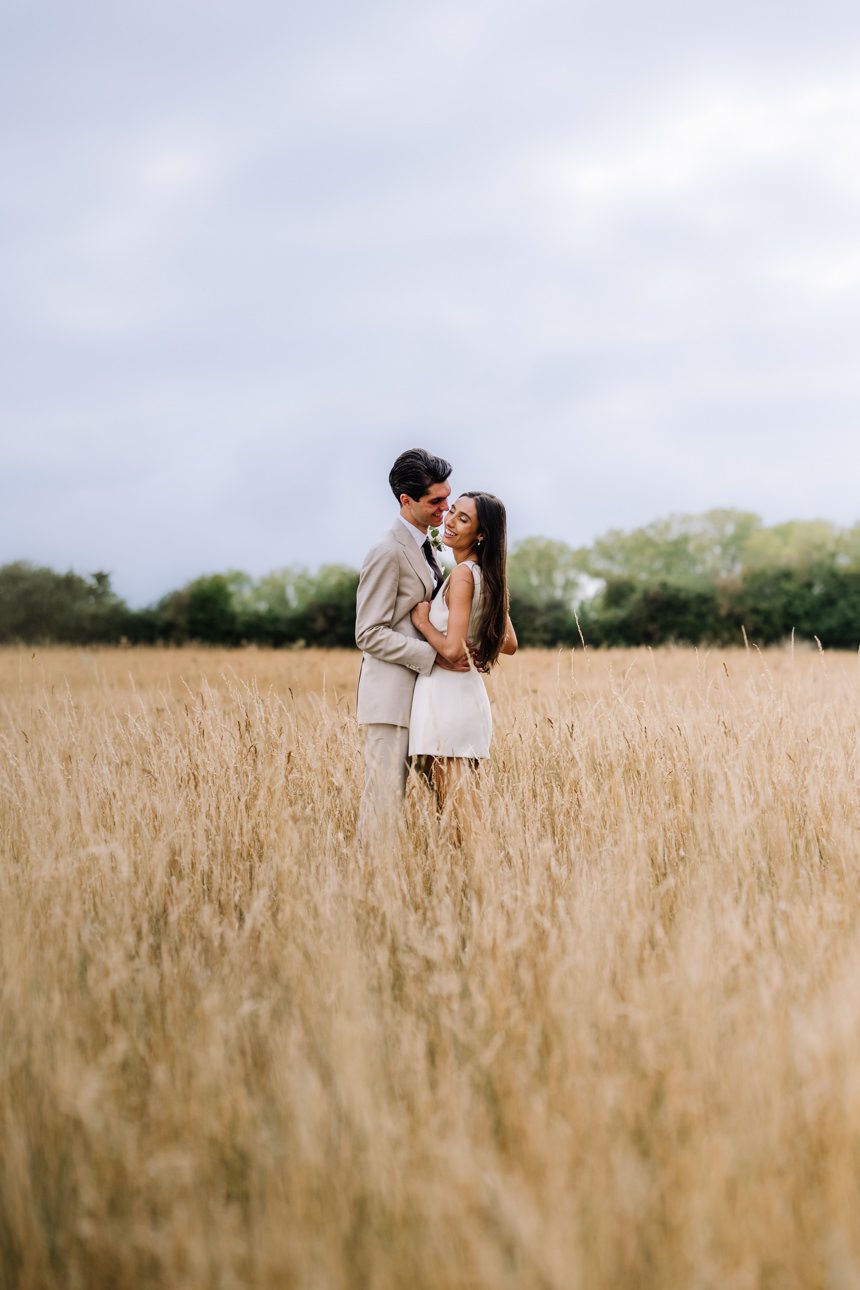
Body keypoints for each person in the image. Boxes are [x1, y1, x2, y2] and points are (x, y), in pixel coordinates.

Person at [355, 449, 469, 837]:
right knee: (383, 808)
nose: (446, 507)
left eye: (447, 496)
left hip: (427, 697)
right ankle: (373, 885)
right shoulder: (386, 551)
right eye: (436, 501)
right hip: (390, 700)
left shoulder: (433, 546)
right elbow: (367, 633)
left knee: (452, 800)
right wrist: (433, 656)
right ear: (406, 500)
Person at [408, 491, 518, 815]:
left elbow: (452, 648)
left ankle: (480, 865)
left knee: (460, 816)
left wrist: (423, 623)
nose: (451, 521)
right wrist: (477, 644)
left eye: (463, 519)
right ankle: (468, 865)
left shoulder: (462, 575)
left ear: (481, 534)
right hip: (461, 697)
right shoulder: (488, 574)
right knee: (455, 810)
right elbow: (509, 642)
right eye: (452, 511)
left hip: (449, 700)